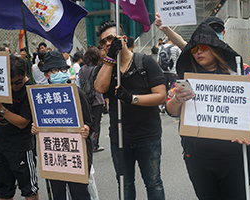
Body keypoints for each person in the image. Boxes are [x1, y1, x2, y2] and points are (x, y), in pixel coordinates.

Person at [165, 22, 250, 200]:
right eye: (194, 49)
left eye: (203, 47)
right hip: (198, 156)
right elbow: (171, 110)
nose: (198, 52)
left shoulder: (240, 71)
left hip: (236, 154)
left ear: (215, 48)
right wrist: (177, 99)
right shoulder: (185, 77)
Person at [94, 20, 166, 200]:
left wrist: (132, 99)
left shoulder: (145, 62)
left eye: (110, 38)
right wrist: (110, 58)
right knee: (125, 184)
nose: (107, 44)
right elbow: (100, 88)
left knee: (153, 182)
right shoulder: (105, 68)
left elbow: (160, 96)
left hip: (147, 135)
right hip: (119, 136)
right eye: (103, 42)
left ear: (123, 38)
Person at [31, 50, 94, 200]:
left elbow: (90, 121)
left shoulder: (77, 93)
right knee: (58, 194)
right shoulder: (41, 97)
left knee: (80, 194)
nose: (60, 73)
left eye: (62, 69)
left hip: (76, 153)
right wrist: (35, 128)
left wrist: (86, 129)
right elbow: (40, 123)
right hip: (54, 154)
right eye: (54, 70)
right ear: (46, 75)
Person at [0, 55, 39, 200]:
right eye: (8, 83)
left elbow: (22, 122)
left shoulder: (29, 90)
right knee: (3, 189)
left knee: (29, 189)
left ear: (25, 74)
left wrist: (1, 108)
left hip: (21, 146)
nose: (13, 87)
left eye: (17, 82)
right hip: (0, 143)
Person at [79, 46, 105, 152]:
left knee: (87, 122)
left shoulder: (81, 69)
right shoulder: (97, 69)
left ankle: (88, 143)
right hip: (97, 99)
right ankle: (95, 145)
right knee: (96, 123)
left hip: (85, 99)